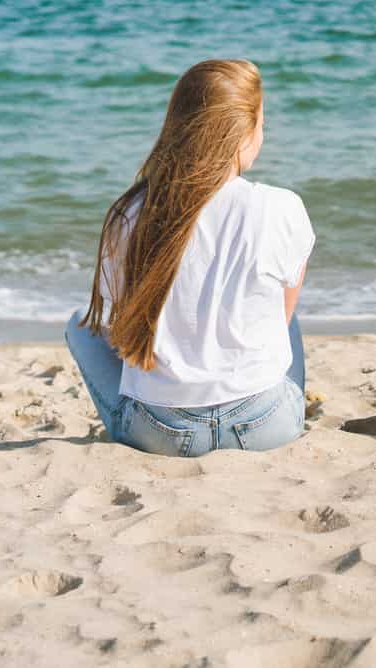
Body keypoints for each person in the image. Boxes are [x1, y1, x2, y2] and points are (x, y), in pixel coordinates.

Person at [65, 59, 314, 457]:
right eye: (262, 125)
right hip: (265, 424)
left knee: (80, 324)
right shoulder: (281, 207)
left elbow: (122, 327)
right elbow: (280, 319)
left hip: (161, 432)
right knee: (289, 320)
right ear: (242, 134)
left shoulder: (130, 213)